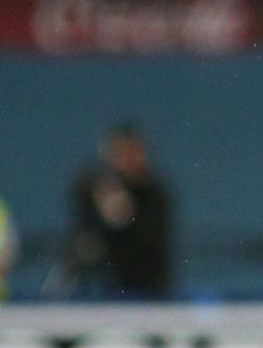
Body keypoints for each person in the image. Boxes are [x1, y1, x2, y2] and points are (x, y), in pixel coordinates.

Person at [50, 122, 172, 300]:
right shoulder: (95, 186)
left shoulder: (155, 194)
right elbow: (81, 212)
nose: (127, 159)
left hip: (148, 289)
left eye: (132, 151)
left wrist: (123, 213)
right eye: (120, 152)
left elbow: (146, 240)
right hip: (102, 290)